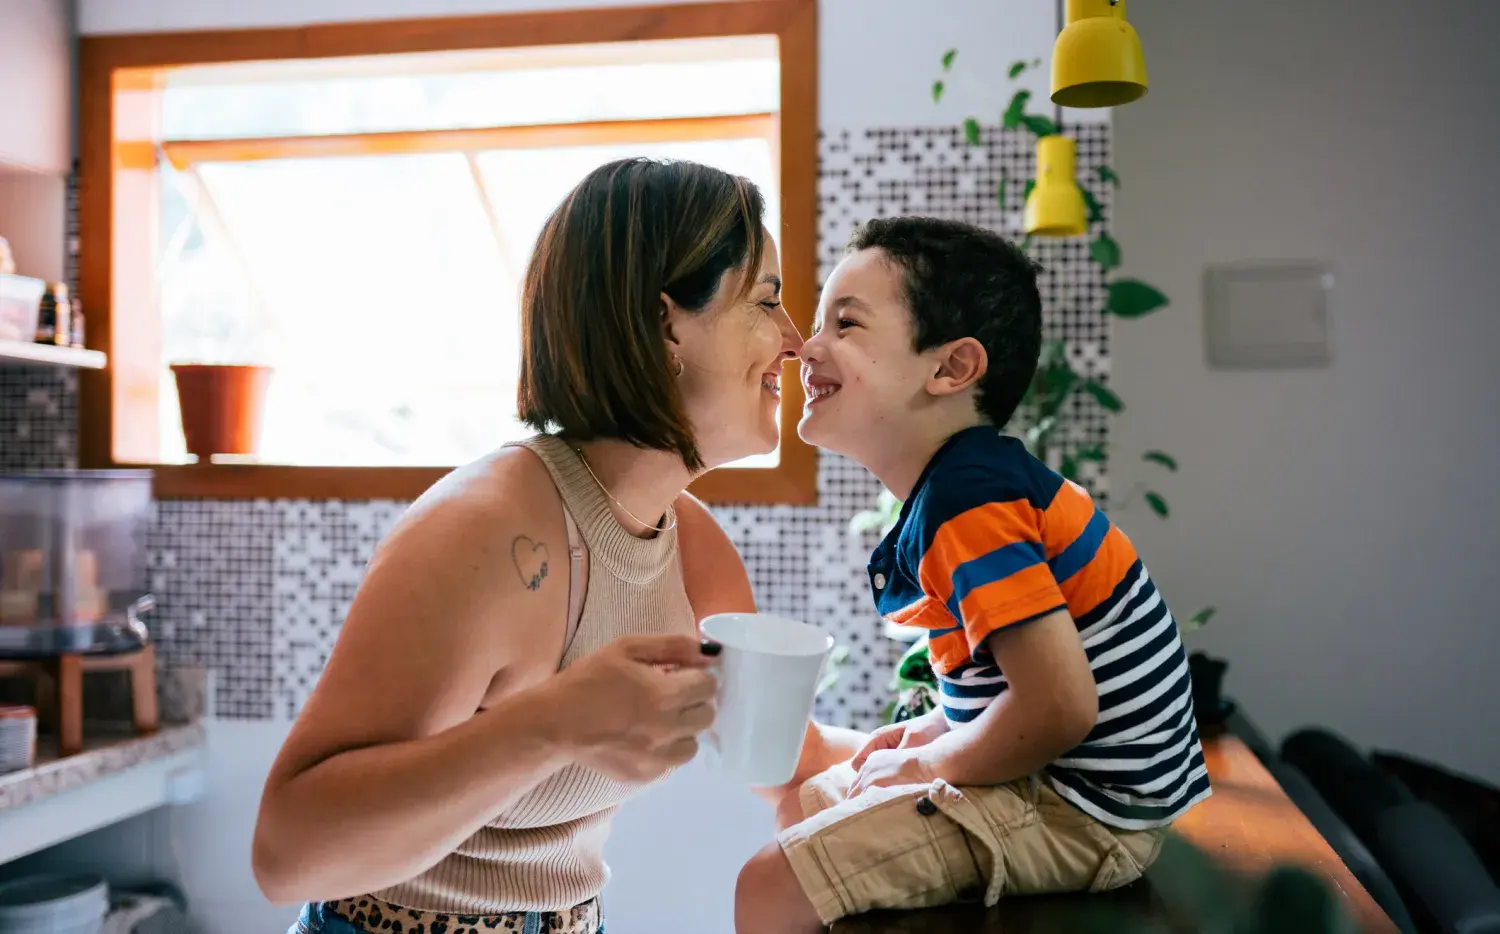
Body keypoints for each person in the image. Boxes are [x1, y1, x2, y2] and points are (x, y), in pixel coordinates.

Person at [251, 157, 840, 934]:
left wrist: (941, 759)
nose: (794, 341)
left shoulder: (693, 547)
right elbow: (287, 855)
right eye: (767, 302)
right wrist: (554, 721)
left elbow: (788, 766)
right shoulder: (485, 533)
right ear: (667, 324)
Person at [734, 216, 1214, 932]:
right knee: (805, 800)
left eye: (847, 323)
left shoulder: (970, 499)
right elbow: (1016, 685)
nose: (806, 345)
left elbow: (1059, 708)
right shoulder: (963, 488)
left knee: (768, 885)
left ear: (952, 369)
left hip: (1084, 814)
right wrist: (934, 728)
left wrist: (931, 765)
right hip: (1078, 794)